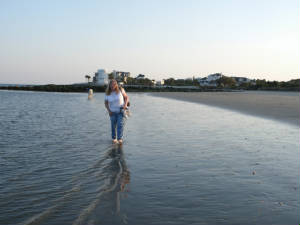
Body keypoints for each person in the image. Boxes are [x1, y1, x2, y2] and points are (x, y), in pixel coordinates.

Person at [105, 79, 129, 144]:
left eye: (114, 84)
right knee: (113, 126)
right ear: (109, 85)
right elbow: (106, 103)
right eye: (111, 84)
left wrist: (125, 105)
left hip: (121, 111)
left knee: (120, 125)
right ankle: (114, 138)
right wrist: (109, 111)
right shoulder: (107, 93)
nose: (113, 86)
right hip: (112, 112)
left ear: (116, 85)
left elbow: (126, 97)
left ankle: (119, 139)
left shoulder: (121, 90)